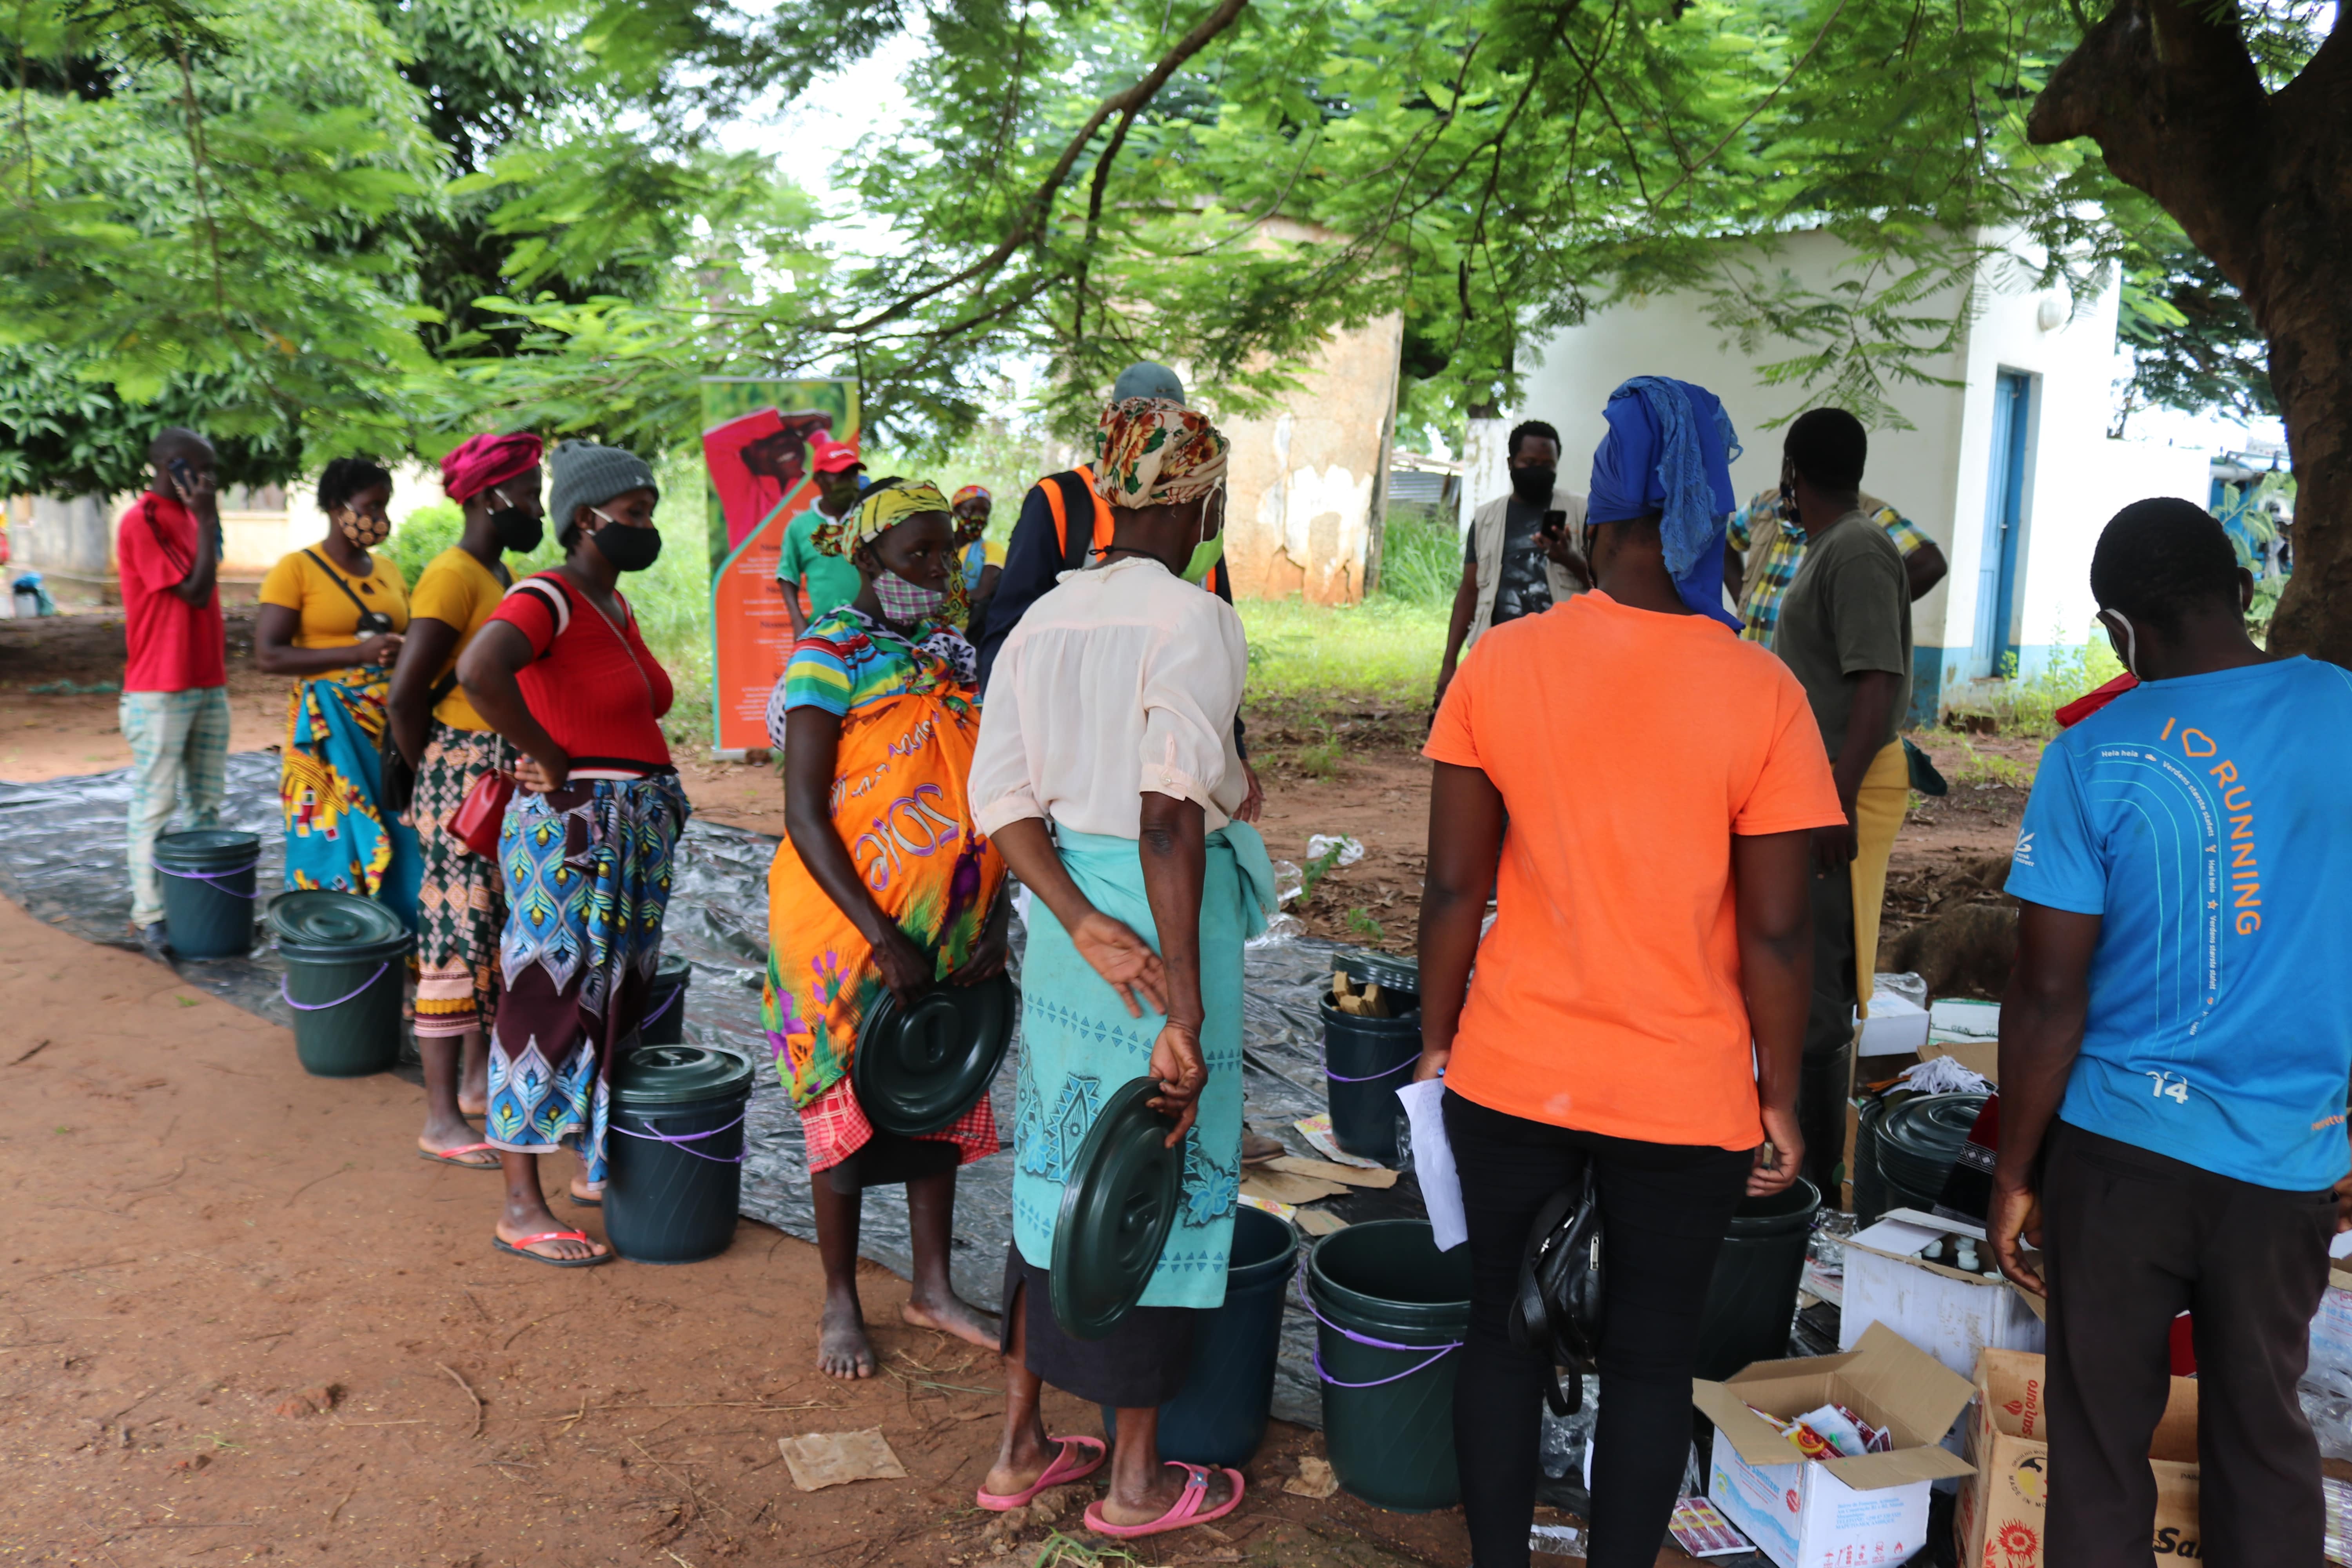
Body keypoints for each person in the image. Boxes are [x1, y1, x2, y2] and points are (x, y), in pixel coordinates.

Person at [1417, 375, 1837, 1568]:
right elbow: (1774, 934)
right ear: (1714, 532)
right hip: (1683, 1092)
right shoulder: (1761, 692)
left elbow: (1453, 888)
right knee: (1653, 1361)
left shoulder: (1501, 663)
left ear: (1598, 526)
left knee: (1496, 1336)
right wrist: (1777, 1098)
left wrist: (1436, 1040)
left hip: (1511, 1072)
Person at [1989, 498, 2352, 1568]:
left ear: (2120, 631)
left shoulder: (2091, 755)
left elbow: (2048, 994)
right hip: (2287, 1162)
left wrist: (2017, 1168)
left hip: (2116, 1160)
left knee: (2099, 1453)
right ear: (2242, 589)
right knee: (2264, 1440)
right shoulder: (2344, 713)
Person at [968, 397, 1272, 1540]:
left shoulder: (1039, 620)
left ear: (1104, 495)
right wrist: (1181, 998)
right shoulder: (1194, 618)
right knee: (1152, 1166)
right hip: (1160, 920)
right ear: (1197, 500)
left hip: (1064, 932)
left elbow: (999, 800)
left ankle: (1017, 1446)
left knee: (1060, 1171)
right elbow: (1162, 815)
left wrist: (1076, 920)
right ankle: (1135, 1480)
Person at [762, 479, 1013, 1378]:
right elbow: (803, 812)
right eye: (918, 555)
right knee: (848, 1102)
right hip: (844, 928)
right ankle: (840, 1296)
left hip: (952, 920)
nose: (939, 570)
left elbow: (993, 789)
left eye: (947, 552)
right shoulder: (827, 653)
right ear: (866, 559)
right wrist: (880, 934)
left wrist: (1001, 910)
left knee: (935, 1098)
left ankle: (933, 1286)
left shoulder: (952, 655)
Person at [457, 439, 690, 1266]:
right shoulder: (547, 595)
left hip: (625, 835)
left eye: (650, 511)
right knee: (545, 996)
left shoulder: (613, 607)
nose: (647, 526)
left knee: (613, 995)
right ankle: (520, 1204)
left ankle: (593, 1161)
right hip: (573, 833)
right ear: (585, 519)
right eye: (634, 514)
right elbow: (480, 669)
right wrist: (545, 754)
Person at [975, 361, 1261, 821]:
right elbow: (1009, 631)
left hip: (1167, 748)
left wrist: (1235, 748)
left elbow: (1213, 663)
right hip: (1078, 747)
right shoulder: (1060, 499)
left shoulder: (1194, 512)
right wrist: (1009, 740)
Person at [1767, 407, 1912, 1200]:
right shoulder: (1833, 545)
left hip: (1838, 783)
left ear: (1794, 468)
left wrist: (1835, 794)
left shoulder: (1855, 548)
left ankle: (1815, 1183)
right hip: (1817, 779)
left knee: (1821, 980)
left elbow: (1876, 682)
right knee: (1805, 959)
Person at [388, 431, 543, 1169]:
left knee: (490, 933)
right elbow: (404, 694)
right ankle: (441, 1118)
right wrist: (435, 776)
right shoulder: (451, 575)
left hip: (486, 771)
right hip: (462, 774)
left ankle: (478, 1089)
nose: (537, 505)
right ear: (492, 496)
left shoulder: (494, 568)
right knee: (454, 941)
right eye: (531, 491)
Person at [255, 457, 419, 923]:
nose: (380, 517)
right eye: (371, 505)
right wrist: (356, 654)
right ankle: (336, 940)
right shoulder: (296, 570)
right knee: (334, 837)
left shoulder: (388, 570)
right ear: (336, 505)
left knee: (398, 829)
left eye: (386, 505)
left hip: (387, 725)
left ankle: (398, 943)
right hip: (329, 727)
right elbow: (269, 655)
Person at [116, 428, 230, 961]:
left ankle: (200, 907)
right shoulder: (143, 521)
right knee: (156, 804)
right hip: (160, 686)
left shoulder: (193, 518)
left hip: (208, 680)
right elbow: (195, 589)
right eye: (202, 470)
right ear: (175, 467)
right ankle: (151, 915)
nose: (211, 481)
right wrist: (206, 518)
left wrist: (205, 519)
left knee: (207, 803)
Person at [1433, 419, 1590, 710]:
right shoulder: (1486, 518)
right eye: (1529, 462)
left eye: (1547, 465)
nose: (1539, 471)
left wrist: (1568, 558)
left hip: (1565, 658)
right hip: (1498, 657)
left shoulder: (1583, 511)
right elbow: (1469, 592)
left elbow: (1605, 586)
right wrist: (1448, 664)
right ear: (1511, 463)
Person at [1726, 488, 1947, 642]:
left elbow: (1930, 565)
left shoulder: (1870, 516)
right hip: (1752, 666)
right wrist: (1742, 596)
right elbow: (1722, 541)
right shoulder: (1765, 505)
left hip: (1809, 678)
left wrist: (1865, 610)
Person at [776, 436, 869, 639]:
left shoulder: (871, 520)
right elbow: (787, 576)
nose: (848, 482)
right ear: (818, 479)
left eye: (852, 475)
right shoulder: (800, 526)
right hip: (825, 632)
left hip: (874, 631)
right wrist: (798, 621)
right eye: (840, 476)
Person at [950, 484, 1004, 636]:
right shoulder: (940, 547)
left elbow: (983, 593)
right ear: (955, 512)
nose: (978, 517)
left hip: (973, 632)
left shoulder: (992, 550)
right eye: (972, 510)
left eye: (984, 512)